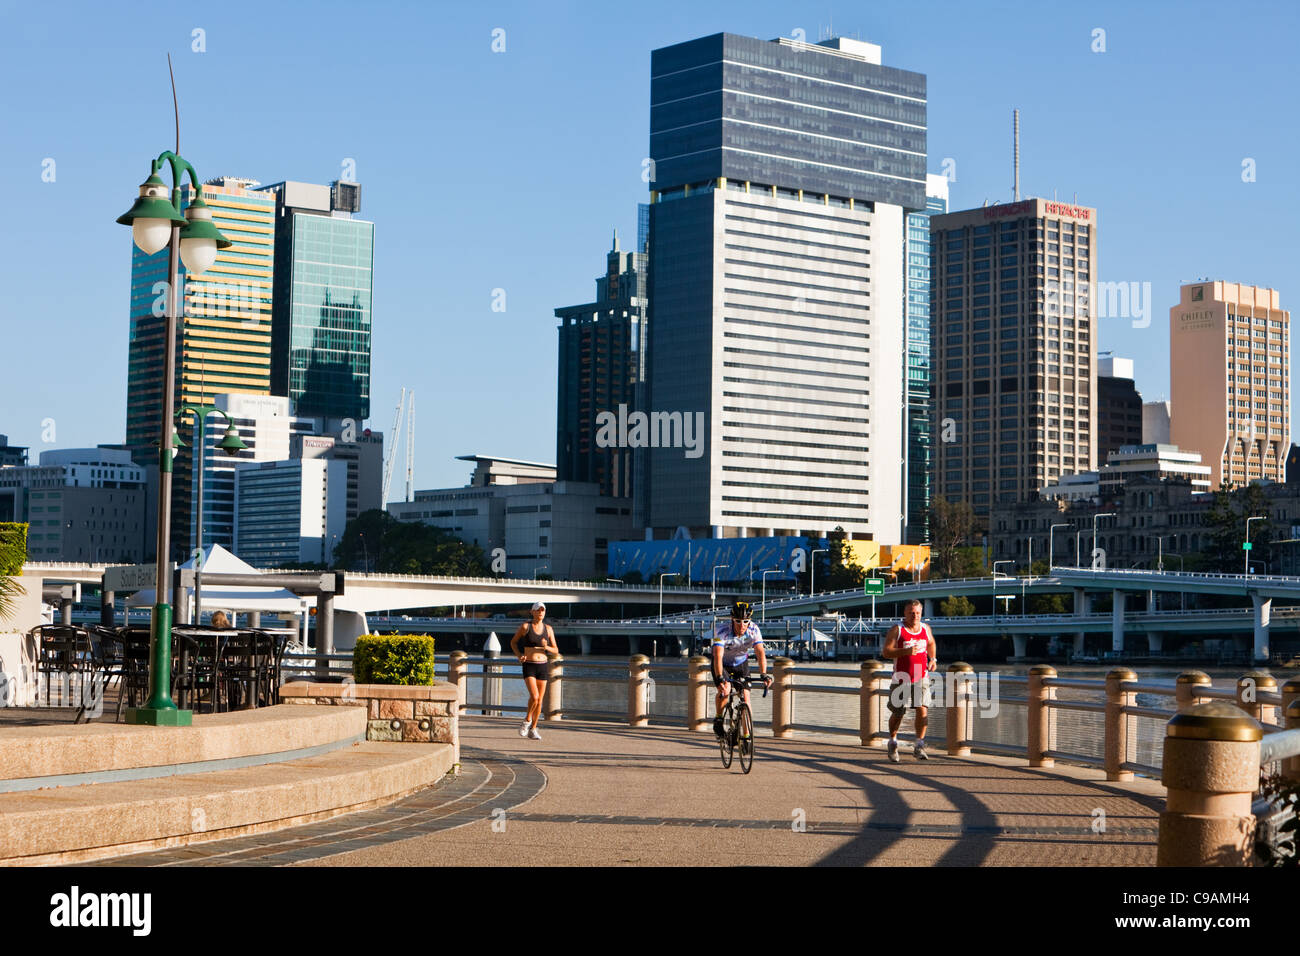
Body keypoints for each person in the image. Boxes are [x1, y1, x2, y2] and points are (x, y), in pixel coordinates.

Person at [881, 598, 937, 762]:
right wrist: (905, 651)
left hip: (921, 675)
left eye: (918, 613)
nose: (915, 616)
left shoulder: (925, 629)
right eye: (911, 613)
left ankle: (919, 745)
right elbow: (886, 652)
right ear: (905, 613)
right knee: (898, 713)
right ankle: (892, 741)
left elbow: (931, 643)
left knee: (922, 709)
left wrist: (933, 659)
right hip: (901, 677)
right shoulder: (897, 630)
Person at [711, 600, 772, 736]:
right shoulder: (721, 631)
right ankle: (719, 719)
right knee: (725, 690)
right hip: (722, 664)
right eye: (738, 621)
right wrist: (720, 677)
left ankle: (746, 736)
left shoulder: (754, 630)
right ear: (732, 620)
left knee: (746, 698)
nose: (742, 625)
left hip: (741, 663)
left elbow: (760, 652)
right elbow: (718, 655)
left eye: (745, 621)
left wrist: (764, 674)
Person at [510, 601, 558, 740]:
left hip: (542, 666)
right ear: (532, 612)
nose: (541, 612)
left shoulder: (548, 629)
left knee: (539, 700)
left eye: (543, 610)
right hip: (529, 665)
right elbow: (513, 642)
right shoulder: (526, 627)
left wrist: (546, 647)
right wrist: (519, 656)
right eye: (538, 610)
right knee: (535, 697)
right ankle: (526, 721)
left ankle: (534, 729)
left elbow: (556, 650)